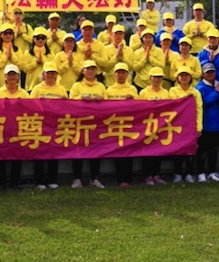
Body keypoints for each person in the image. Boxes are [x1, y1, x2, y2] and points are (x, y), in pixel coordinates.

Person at [69, 60, 108, 189]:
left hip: (97, 123)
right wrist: (81, 98)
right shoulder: (77, 86)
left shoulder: (101, 86)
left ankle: (95, 178)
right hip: (80, 123)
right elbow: (69, 103)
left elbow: (109, 103)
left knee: (96, 150)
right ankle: (77, 178)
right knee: (78, 150)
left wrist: (102, 100)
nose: (90, 71)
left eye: (93, 69)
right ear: (83, 71)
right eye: (88, 69)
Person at [30, 62, 67, 189]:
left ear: (56, 75)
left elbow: (67, 107)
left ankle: (52, 179)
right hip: (40, 124)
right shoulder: (37, 89)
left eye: (53, 73)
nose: (50, 75)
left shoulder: (61, 89)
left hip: (55, 124)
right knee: (39, 152)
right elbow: (30, 107)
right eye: (48, 73)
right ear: (43, 74)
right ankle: (39, 181)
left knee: (53, 152)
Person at [0, 64, 30, 190]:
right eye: (9, 75)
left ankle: (15, 182)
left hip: (18, 128)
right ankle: (1, 182)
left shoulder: (24, 94)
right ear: (5, 77)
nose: (12, 77)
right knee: (0, 156)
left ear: (18, 77)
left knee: (17, 155)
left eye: (14, 74)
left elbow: (30, 110)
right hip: (2, 128)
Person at [106, 62, 138, 188]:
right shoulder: (109, 90)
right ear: (114, 74)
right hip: (114, 125)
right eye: (118, 72)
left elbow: (141, 107)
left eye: (123, 72)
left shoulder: (132, 89)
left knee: (129, 151)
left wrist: (132, 100)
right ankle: (120, 178)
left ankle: (128, 178)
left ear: (127, 74)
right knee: (117, 151)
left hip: (129, 124)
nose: (121, 75)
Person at [169, 66, 203, 184]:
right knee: (177, 150)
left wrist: (198, 127)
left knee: (191, 150)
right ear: (178, 78)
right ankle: (177, 173)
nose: (184, 78)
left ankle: (189, 173)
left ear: (190, 78)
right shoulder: (172, 91)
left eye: (186, 76)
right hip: (176, 125)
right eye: (182, 75)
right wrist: (185, 99)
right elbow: (171, 106)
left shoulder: (196, 92)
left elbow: (199, 110)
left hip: (190, 126)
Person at [138, 66, 170, 186]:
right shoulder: (143, 93)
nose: (157, 80)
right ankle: (147, 175)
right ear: (150, 78)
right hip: (147, 126)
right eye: (155, 77)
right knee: (147, 152)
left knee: (158, 151)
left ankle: (156, 174)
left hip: (161, 126)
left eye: (159, 77)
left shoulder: (165, 92)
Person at [195, 63, 219, 182]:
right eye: (208, 72)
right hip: (205, 124)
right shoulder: (200, 87)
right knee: (202, 150)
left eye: (212, 72)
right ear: (203, 74)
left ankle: (212, 171)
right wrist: (216, 93)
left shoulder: (217, 85)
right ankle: (200, 172)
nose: (210, 74)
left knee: (214, 149)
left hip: (217, 124)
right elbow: (203, 102)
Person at [0, 23, 24, 90]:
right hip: (0, 85)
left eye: (10, 33)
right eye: (5, 33)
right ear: (1, 35)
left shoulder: (17, 49)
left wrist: (12, 56)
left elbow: (21, 66)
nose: (8, 35)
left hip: (16, 86)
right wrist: (5, 57)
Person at [22, 27, 54, 92]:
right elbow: (25, 69)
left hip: (47, 87)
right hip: (31, 85)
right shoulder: (28, 53)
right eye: (38, 38)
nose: (40, 40)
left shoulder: (50, 54)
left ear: (46, 40)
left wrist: (43, 61)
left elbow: (53, 68)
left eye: (43, 38)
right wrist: (36, 62)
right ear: (34, 39)